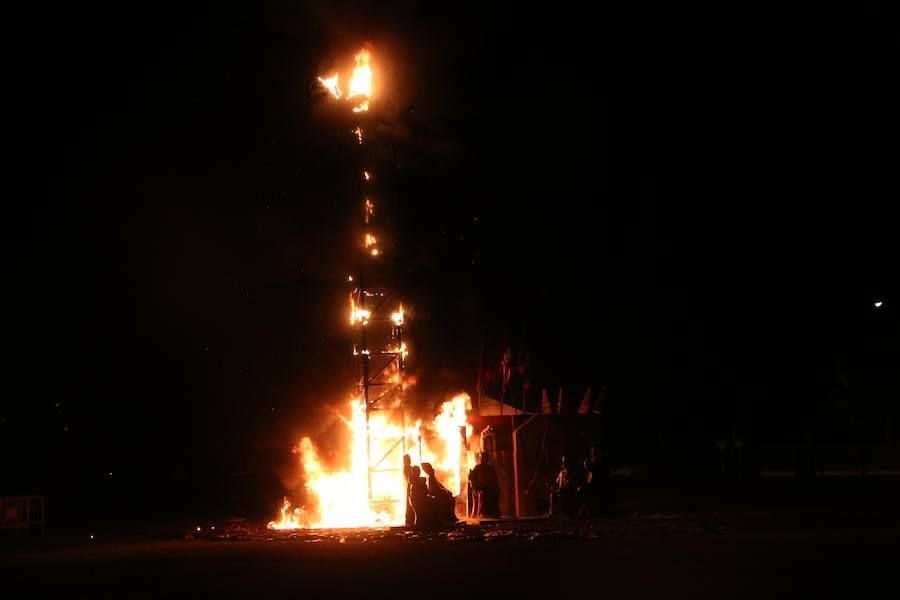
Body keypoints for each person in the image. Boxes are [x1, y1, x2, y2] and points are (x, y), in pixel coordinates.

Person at [468, 452, 500, 518]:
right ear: (480, 458)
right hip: (480, 487)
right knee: (485, 494)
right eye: (483, 457)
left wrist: (495, 486)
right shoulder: (477, 468)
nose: (484, 459)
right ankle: (483, 514)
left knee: (493, 493)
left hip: (490, 487)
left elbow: (495, 479)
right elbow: (471, 477)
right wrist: (475, 486)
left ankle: (493, 513)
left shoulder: (490, 468)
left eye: (486, 457)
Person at [403, 454, 415, 526]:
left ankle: (411, 519)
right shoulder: (406, 468)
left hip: (411, 487)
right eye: (407, 459)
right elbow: (409, 479)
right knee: (410, 504)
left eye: (409, 459)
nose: (409, 460)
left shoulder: (410, 468)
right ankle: (410, 520)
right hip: (410, 487)